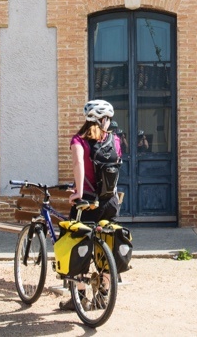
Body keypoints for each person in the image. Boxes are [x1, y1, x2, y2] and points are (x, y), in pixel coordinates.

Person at [61, 99, 123, 310]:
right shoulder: (115, 141)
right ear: (104, 119)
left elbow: (79, 163)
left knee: (79, 245)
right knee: (108, 242)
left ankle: (79, 297)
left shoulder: (79, 140)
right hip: (110, 202)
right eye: (108, 119)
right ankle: (102, 294)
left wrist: (78, 192)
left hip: (87, 202)